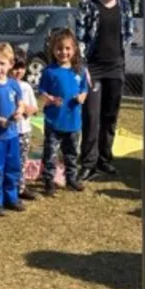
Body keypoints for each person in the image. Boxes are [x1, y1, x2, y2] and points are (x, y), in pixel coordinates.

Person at [76, 0, 133, 182]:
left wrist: (119, 58)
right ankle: (88, 163)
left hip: (115, 67)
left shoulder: (125, 6)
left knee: (110, 116)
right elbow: (80, 37)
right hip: (93, 69)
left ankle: (105, 159)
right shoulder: (88, 5)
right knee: (91, 116)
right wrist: (84, 67)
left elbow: (127, 34)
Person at [40, 28, 90, 196]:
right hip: (54, 121)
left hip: (73, 121)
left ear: (74, 49)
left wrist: (82, 96)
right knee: (50, 153)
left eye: (67, 48)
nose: (63, 52)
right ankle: (48, 180)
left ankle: (72, 178)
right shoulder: (49, 71)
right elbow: (42, 92)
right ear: (53, 50)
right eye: (59, 49)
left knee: (72, 152)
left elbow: (84, 88)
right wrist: (50, 99)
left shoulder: (80, 70)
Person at [0, 43, 27, 216]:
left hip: (13, 136)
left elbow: (20, 103)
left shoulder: (14, 85)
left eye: (2, 63)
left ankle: (12, 198)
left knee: (13, 168)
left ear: (10, 64)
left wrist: (20, 111)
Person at [12, 49, 40, 201]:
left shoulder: (26, 87)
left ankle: (21, 187)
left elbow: (34, 108)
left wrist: (28, 110)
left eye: (21, 68)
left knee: (22, 160)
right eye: (15, 68)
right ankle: (8, 187)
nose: (18, 71)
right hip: (9, 131)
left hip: (24, 131)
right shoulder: (4, 85)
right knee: (9, 161)